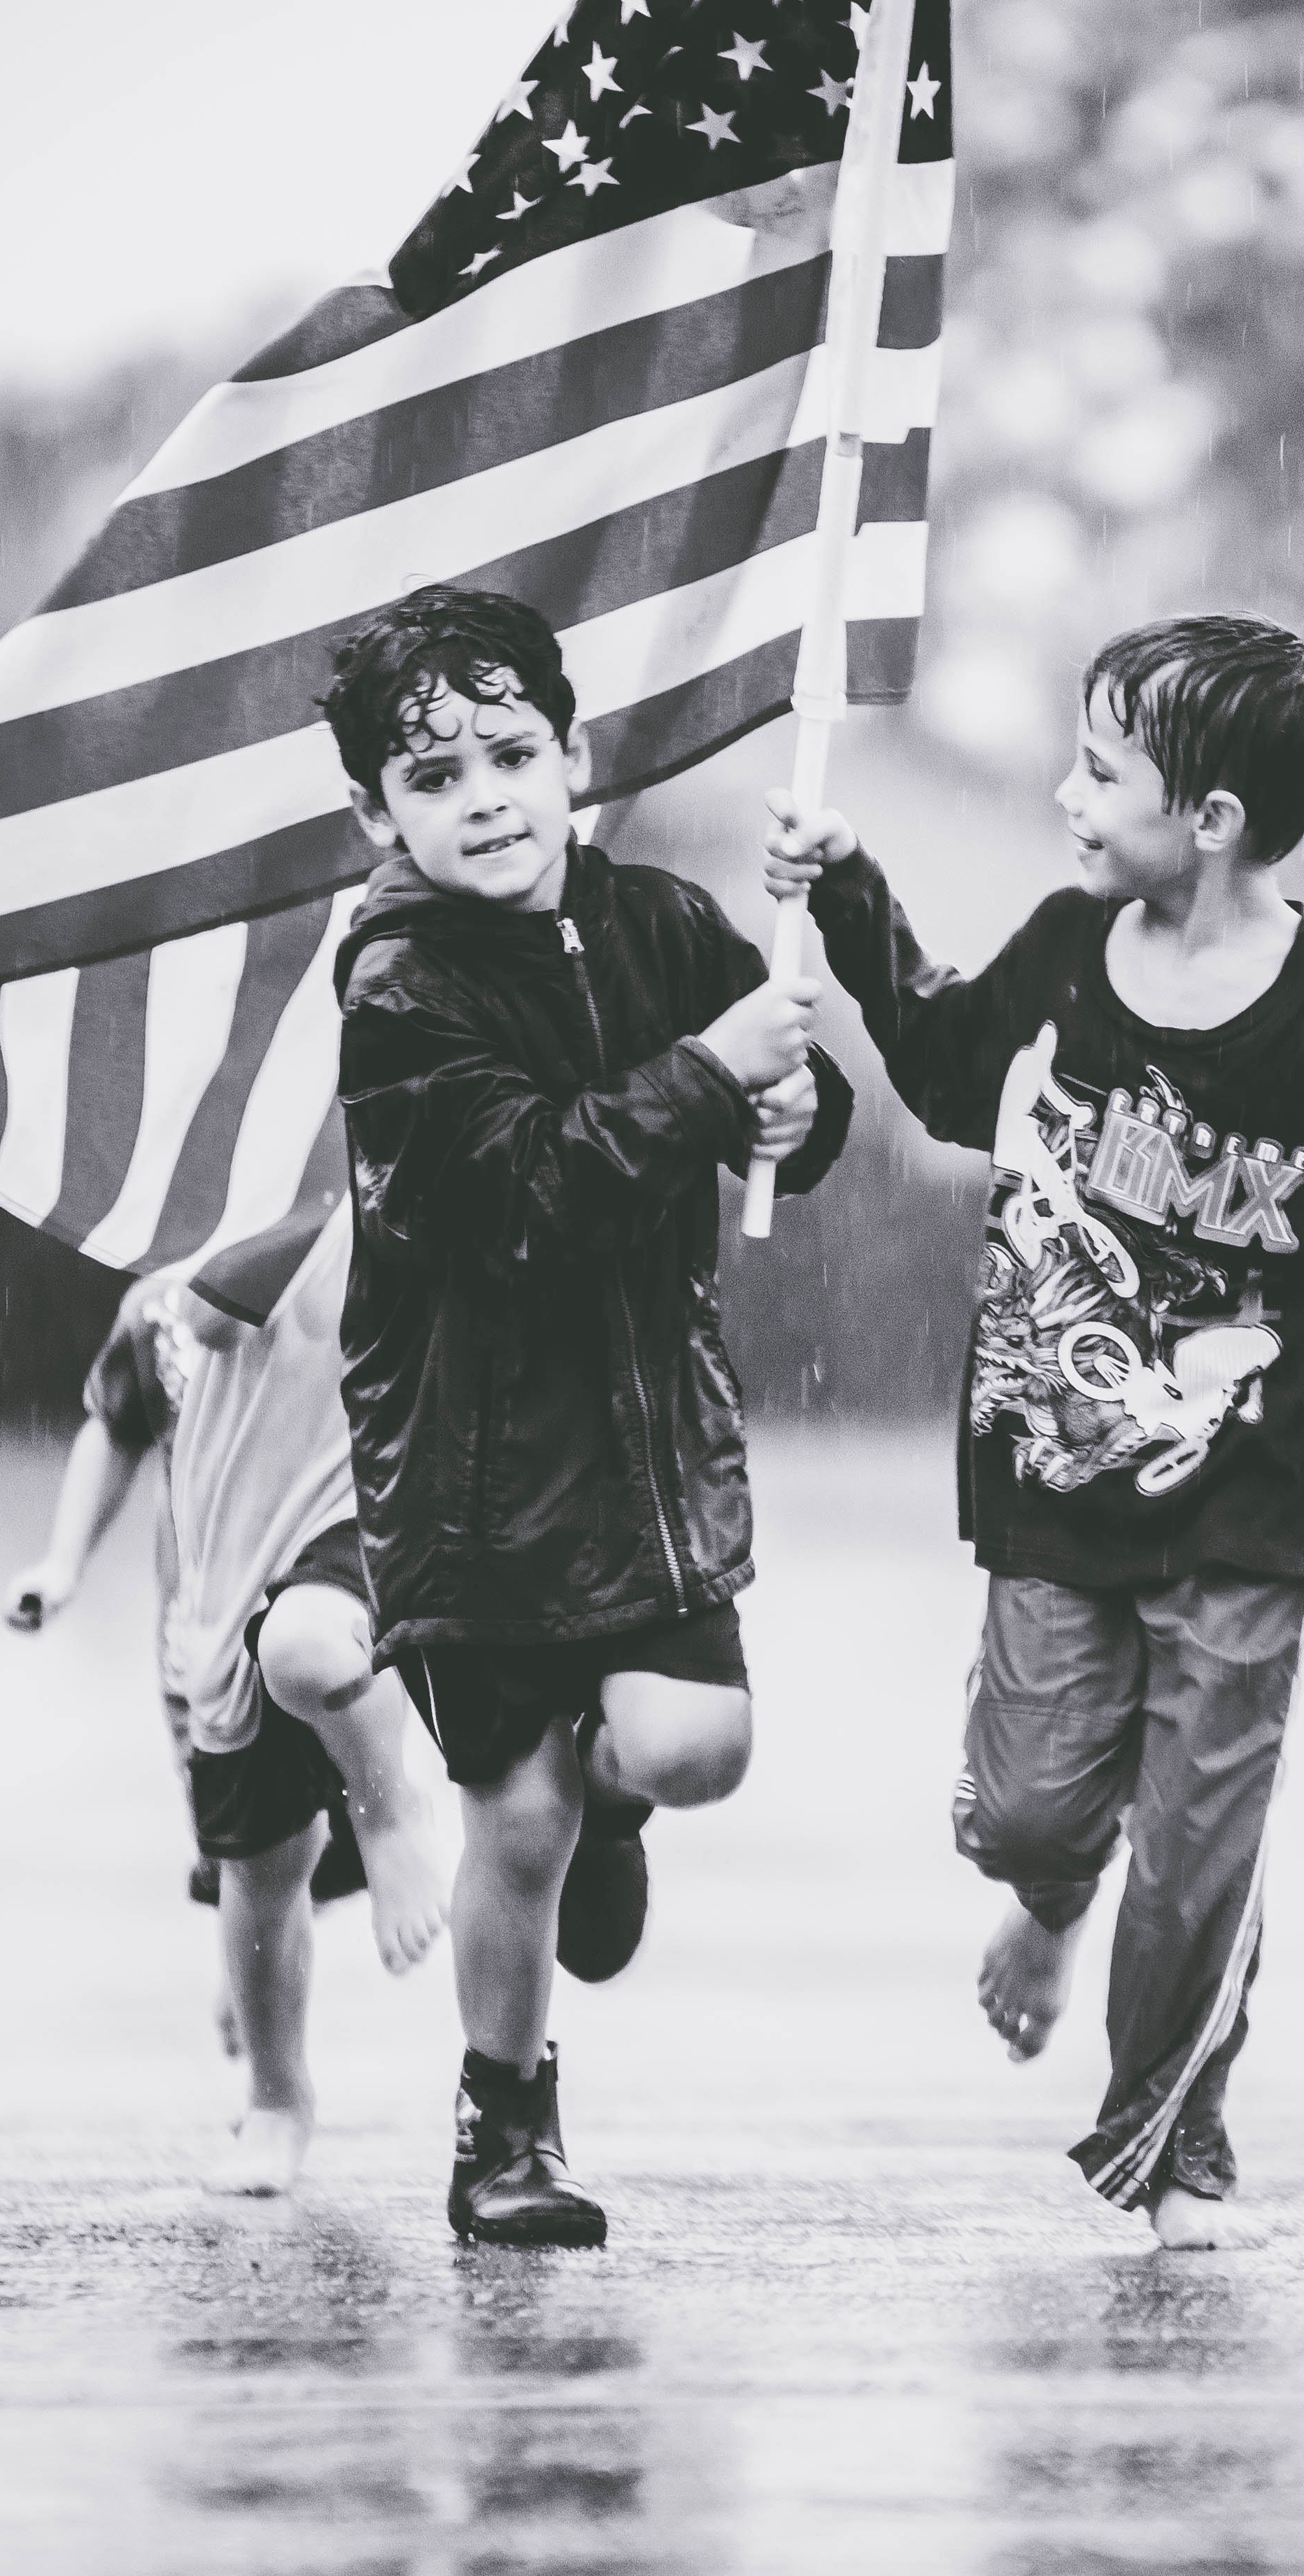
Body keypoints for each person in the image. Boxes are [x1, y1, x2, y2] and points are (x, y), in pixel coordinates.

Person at [764, 613, 1304, 2251]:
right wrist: (849, 893)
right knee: (1026, 1814)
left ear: (1210, 818)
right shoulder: (1070, 953)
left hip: (1254, 1497)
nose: (1068, 795)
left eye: (1101, 767)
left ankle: (1177, 2140)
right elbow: (943, 1064)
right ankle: (1055, 1901)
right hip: (1052, 1479)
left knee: (1203, 1842)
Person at [324, 584, 851, 2248]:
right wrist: (705, 1076)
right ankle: (506, 2126)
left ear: (577, 762)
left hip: (646, 1454)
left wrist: (794, 1104)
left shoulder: (667, 928)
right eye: (434, 776)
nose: (482, 795)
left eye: (510, 752)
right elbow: (525, 1195)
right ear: (378, 815)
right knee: (519, 1815)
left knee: (692, 1746)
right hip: (476, 1480)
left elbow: (785, 1134)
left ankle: (618, 1799)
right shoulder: (398, 993)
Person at [2, 1199, 451, 2197]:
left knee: (311, 1653)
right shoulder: (155, 1311)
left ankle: (387, 1810)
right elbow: (110, 1432)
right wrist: (64, 1560)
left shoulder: (358, 1249)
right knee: (255, 1863)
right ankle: (277, 2088)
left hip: (342, 1540)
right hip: (205, 1608)